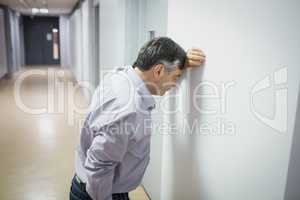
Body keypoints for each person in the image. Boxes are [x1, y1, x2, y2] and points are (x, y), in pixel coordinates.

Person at [70, 37, 206, 200]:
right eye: (176, 77)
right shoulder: (128, 110)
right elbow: (99, 166)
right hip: (99, 193)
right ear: (158, 71)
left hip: (93, 185)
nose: (175, 84)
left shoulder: (120, 75)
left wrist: (180, 62)